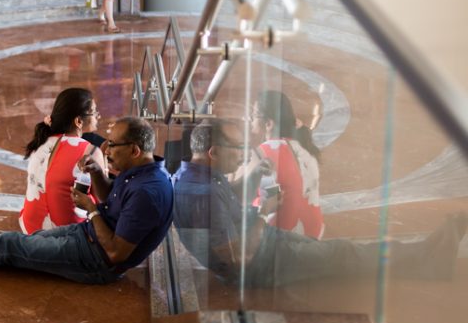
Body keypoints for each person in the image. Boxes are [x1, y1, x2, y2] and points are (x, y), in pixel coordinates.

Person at [174, 120, 467, 287]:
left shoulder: (198, 177)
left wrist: (249, 181)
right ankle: (428, 258)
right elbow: (237, 256)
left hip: (268, 247)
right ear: (213, 152)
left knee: (342, 251)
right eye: (238, 149)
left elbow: (223, 208)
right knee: (345, 254)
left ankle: (425, 260)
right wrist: (262, 213)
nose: (243, 154)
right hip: (262, 266)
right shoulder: (201, 194)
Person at [0, 117, 174, 284]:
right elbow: (110, 198)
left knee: (10, 246)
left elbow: (116, 254)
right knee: (12, 247)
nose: (106, 148)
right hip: (88, 238)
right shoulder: (140, 173)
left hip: (96, 262)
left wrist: (92, 212)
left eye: (112, 145)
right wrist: (99, 173)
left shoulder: (148, 193)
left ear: (135, 150)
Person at [20, 88, 106, 234]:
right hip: (65, 237)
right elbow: (103, 202)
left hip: (29, 227)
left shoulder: (41, 141)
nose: (98, 116)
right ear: (79, 121)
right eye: (94, 112)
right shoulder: (91, 152)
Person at [251, 90, 325, 239]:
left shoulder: (262, 153)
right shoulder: (304, 147)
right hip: (313, 233)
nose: (250, 119)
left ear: (268, 124)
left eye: (253, 115)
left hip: (285, 238)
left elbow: (268, 202)